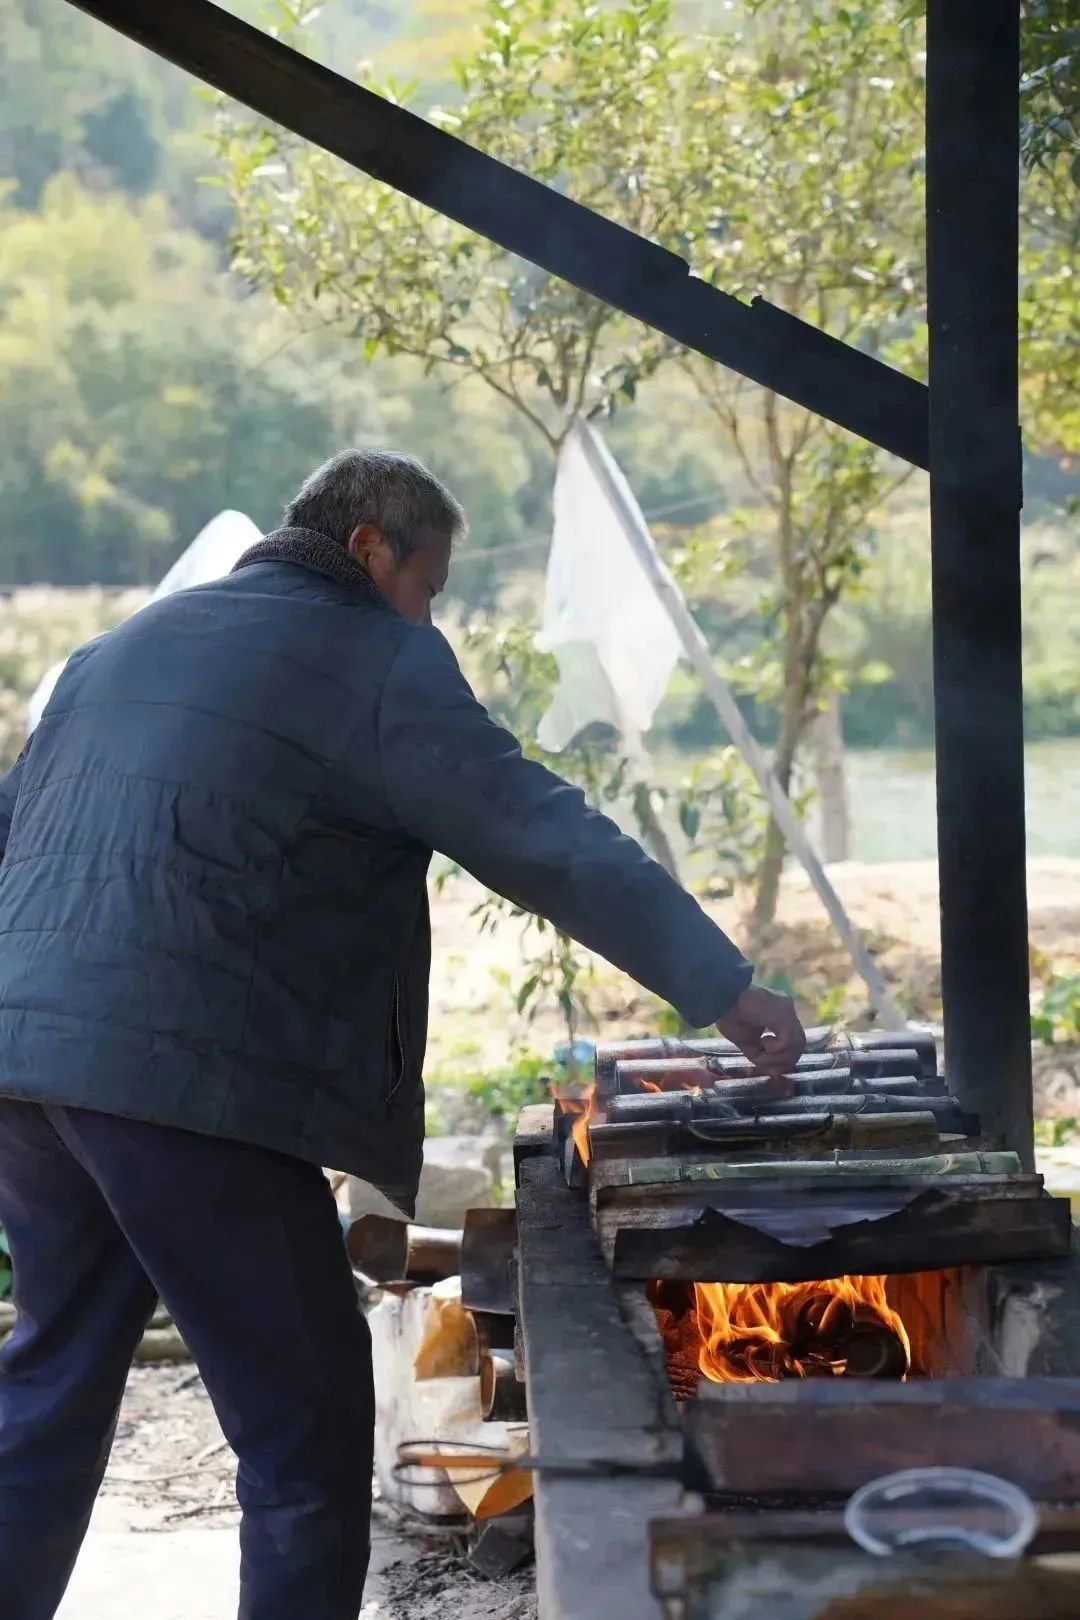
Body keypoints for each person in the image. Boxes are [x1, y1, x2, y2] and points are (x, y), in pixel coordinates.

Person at [0, 449, 805, 1620]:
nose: (431, 614)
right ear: (372, 548)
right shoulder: (375, 658)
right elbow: (545, 836)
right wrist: (726, 988)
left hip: (25, 1073)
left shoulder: (118, 647)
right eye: (429, 586)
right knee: (309, 1436)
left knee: (49, 1387)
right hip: (183, 1091)